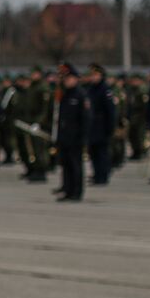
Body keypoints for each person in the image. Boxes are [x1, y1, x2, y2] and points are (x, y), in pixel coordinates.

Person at [55, 67, 89, 201]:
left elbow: (86, 119)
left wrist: (83, 137)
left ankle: (76, 192)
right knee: (66, 165)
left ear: (76, 79)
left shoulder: (81, 95)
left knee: (76, 165)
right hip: (65, 136)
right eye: (65, 79)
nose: (67, 81)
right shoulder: (65, 94)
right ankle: (68, 190)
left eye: (69, 79)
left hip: (76, 137)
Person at [84, 64, 116, 185]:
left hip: (102, 125)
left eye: (96, 75)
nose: (94, 77)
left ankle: (103, 175)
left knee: (102, 152)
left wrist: (110, 127)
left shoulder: (105, 90)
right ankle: (97, 174)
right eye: (92, 75)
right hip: (92, 125)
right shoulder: (90, 89)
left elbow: (110, 111)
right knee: (93, 152)